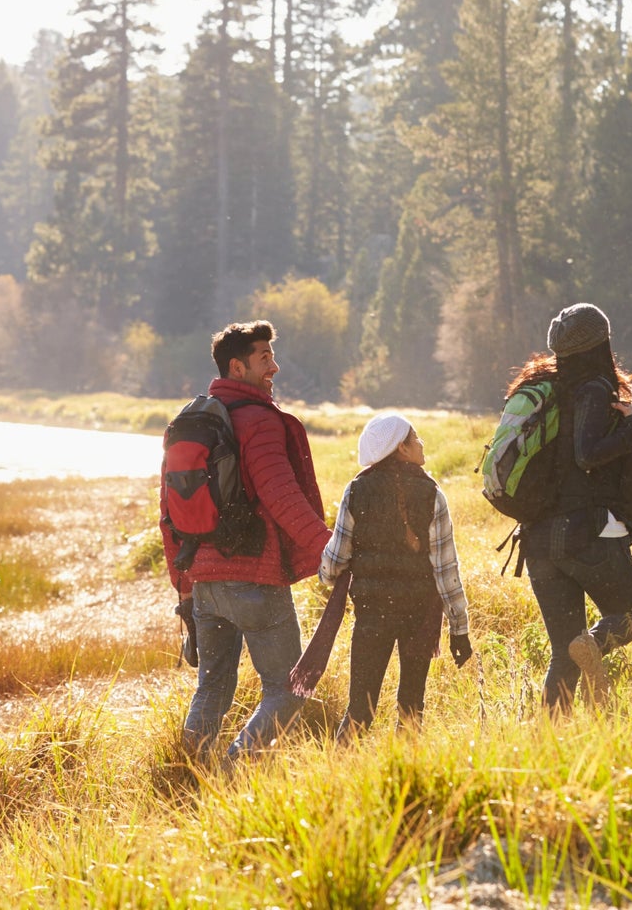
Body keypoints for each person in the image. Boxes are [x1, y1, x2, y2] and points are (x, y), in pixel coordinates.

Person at [164, 320, 332, 762]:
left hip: (204, 582)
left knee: (213, 687)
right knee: (290, 687)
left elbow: (168, 516)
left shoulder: (189, 423)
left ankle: (195, 779)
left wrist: (183, 583)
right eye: (264, 358)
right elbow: (281, 496)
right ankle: (236, 768)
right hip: (255, 578)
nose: (274, 367)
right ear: (237, 367)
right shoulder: (259, 422)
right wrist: (331, 549)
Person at [514, 302, 632, 712]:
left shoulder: (545, 391)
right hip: (585, 532)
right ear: (602, 343)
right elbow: (587, 454)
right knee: (628, 621)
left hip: (537, 539)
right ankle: (588, 644)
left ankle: (550, 743)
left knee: (562, 653)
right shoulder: (592, 389)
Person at [317, 414, 472, 738]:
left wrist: (329, 575)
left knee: (360, 710)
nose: (421, 443)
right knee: (412, 706)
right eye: (416, 439)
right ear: (401, 447)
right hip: (420, 615)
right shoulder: (432, 493)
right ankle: (405, 775)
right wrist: (460, 629)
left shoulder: (356, 490)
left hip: (372, 614)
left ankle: (343, 773)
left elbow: (334, 563)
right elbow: (446, 570)